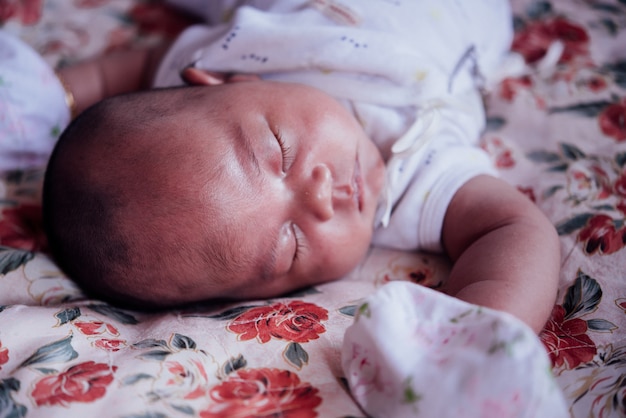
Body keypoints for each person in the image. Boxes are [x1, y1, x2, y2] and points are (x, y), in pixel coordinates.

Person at [41, 0, 560, 333]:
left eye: (280, 150)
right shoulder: (416, 171)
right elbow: (513, 230)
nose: (320, 196)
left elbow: (131, 69)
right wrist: (478, 339)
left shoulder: (233, 53)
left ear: (220, 81)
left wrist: (49, 93)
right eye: (289, 246)